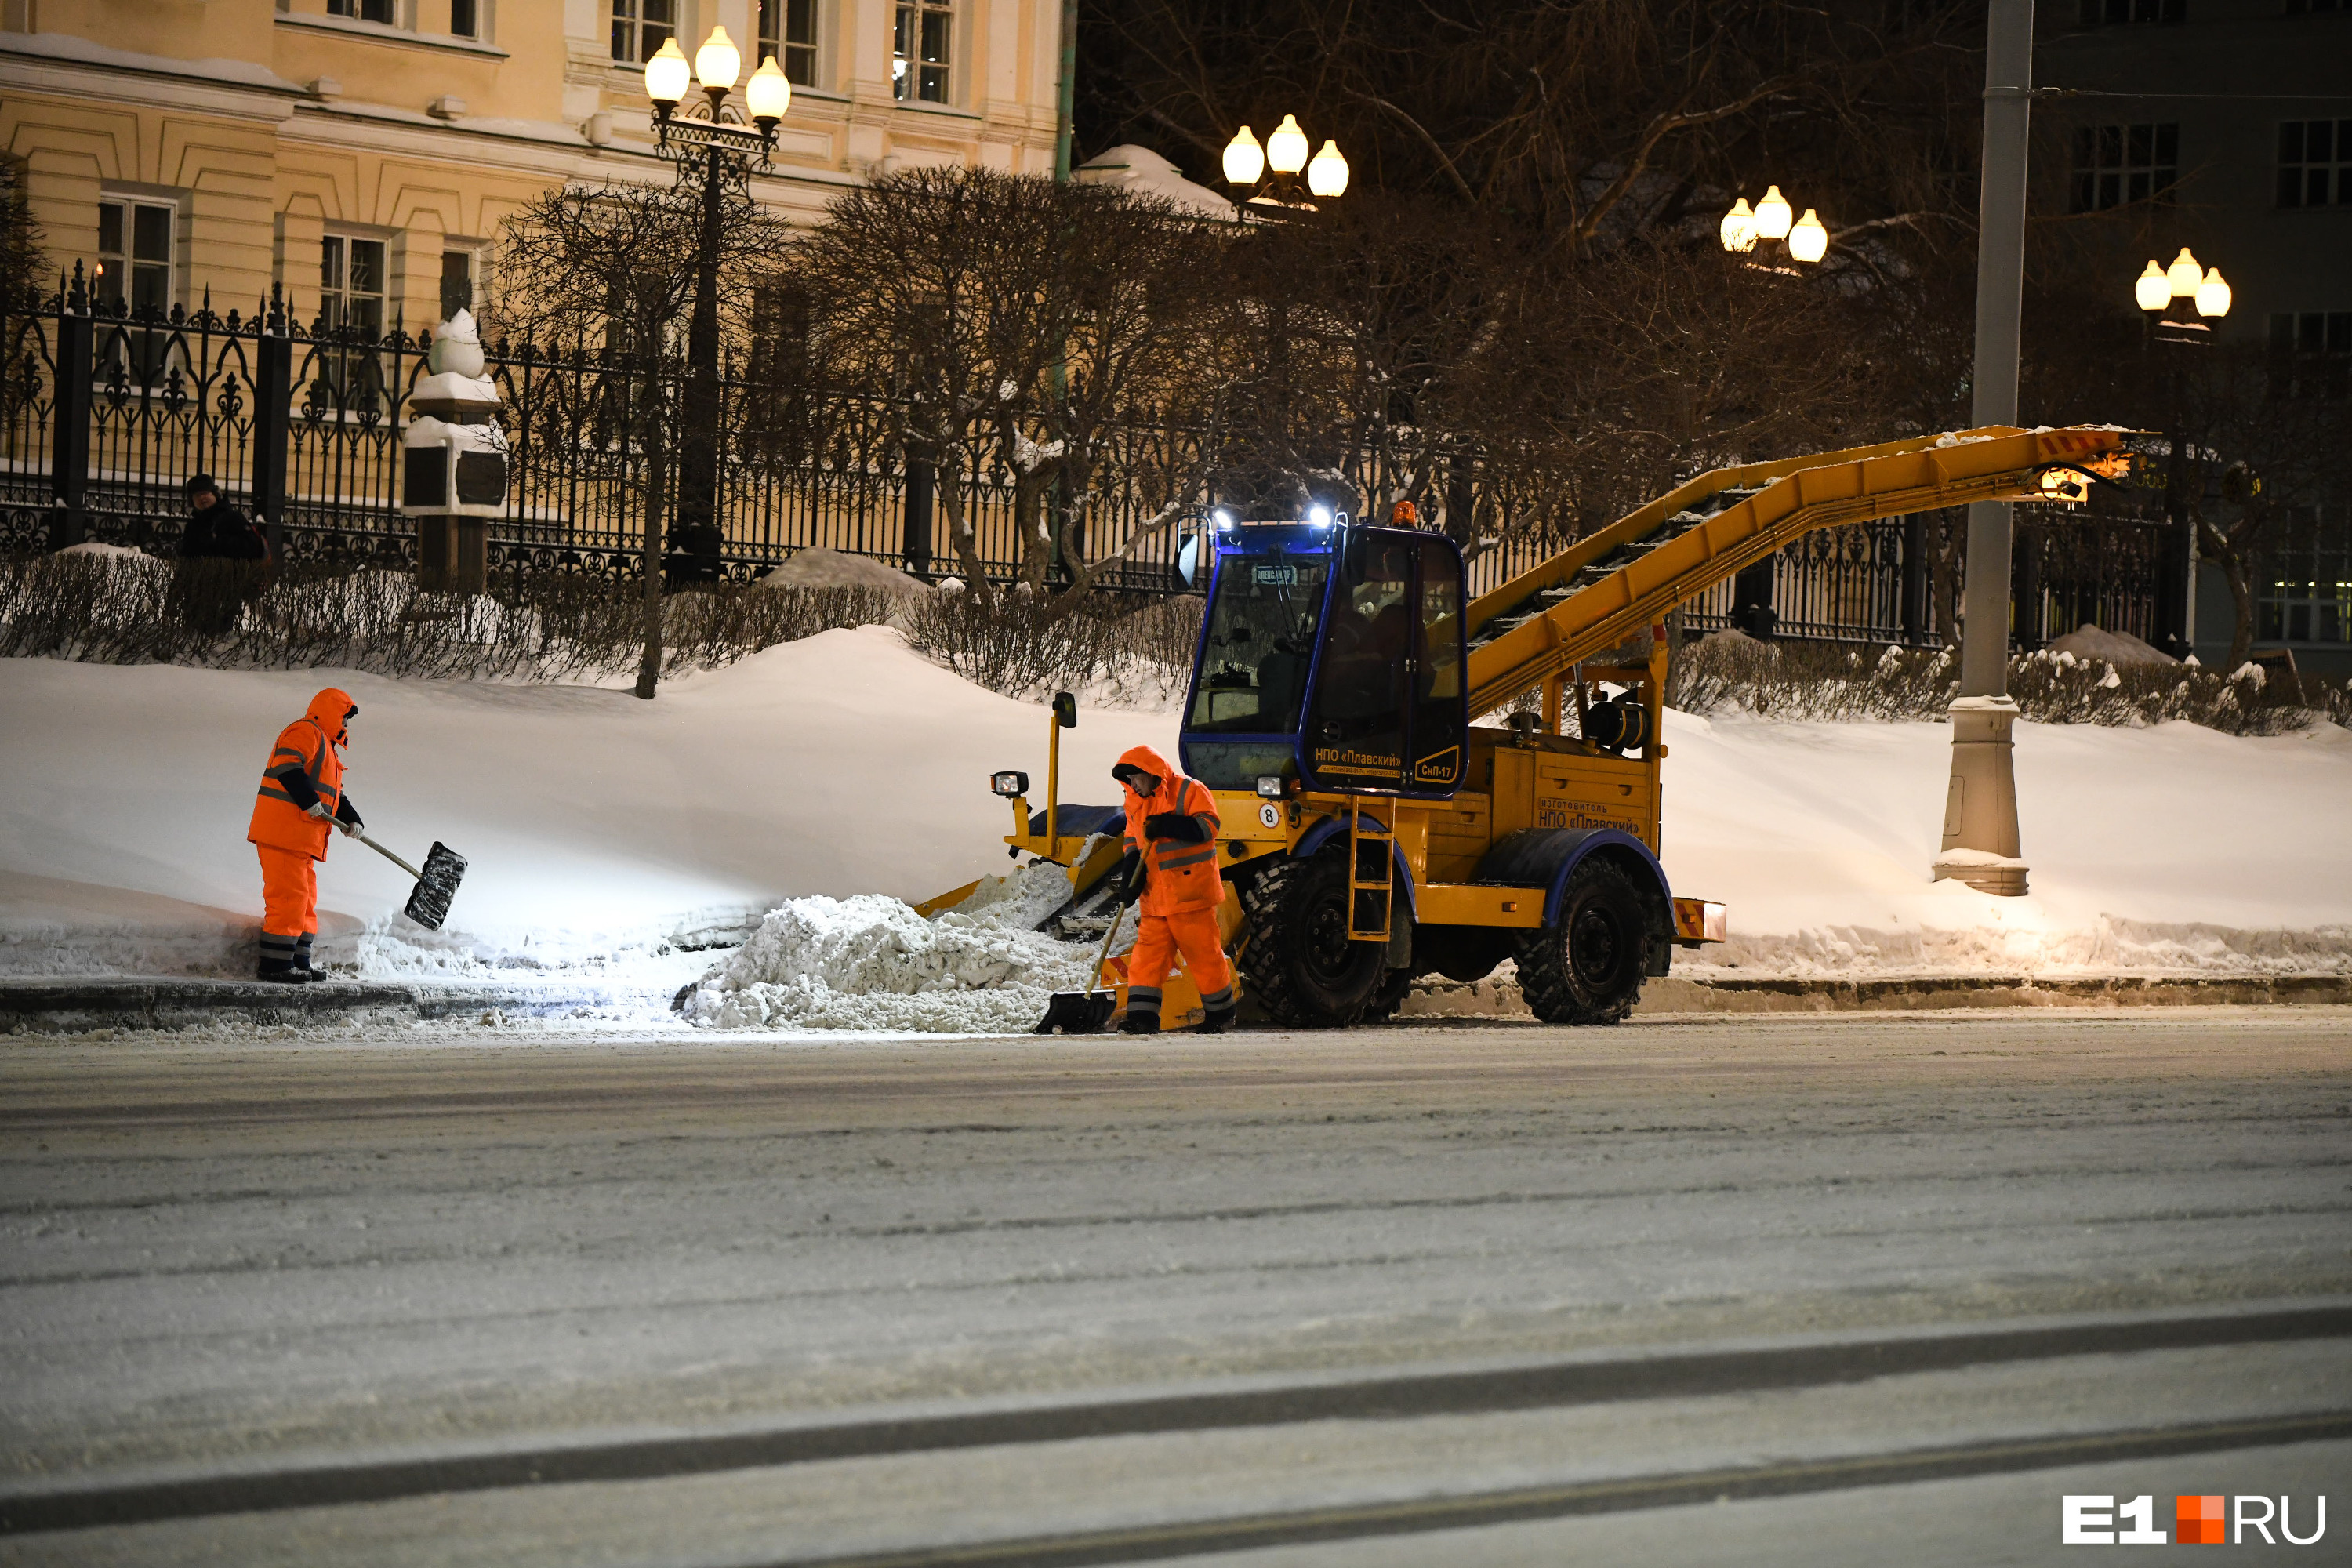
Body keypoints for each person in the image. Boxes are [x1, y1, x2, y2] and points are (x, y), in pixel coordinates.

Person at [1109, 745, 1236, 1035]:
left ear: (1152, 774)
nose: (1134, 785)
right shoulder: (1134, 800)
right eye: (1129, 780)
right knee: (1146, 960)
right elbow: (1132, 840)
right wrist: (1132, 874)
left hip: (1191, 895)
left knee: (1204, 958)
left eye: (1137, 779)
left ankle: (1221, 1014)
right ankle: (1142, 1018)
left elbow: (1208, 827)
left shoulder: (1190, 790)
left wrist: (1168, 825)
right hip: (1154, 898)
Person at [246, 688, 364, 982]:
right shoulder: (305, 732)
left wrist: (351, 819)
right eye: (344, 718)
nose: (347, 726)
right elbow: (287, 765)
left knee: (305, 900)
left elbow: (333, 795)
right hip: (282, 833)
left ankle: (298, 961)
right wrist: (306, 798)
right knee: (289, 898)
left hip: (301, 839)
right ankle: (275, 965)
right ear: (331, 714)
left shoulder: (327, 748)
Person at [178, 475, 269, 561]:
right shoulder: (193, 525)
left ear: (215, 494)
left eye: (205, 493)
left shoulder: (233, 518)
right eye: (197, 495)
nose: (202, 498)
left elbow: (252, 547)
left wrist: (217, 540)